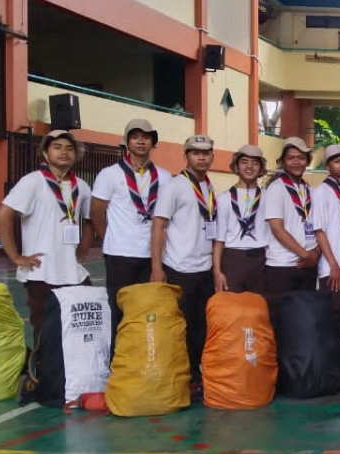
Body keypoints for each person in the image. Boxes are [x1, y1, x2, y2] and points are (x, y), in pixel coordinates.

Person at [0, 130, 94, 342]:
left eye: (69, 148)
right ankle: (40, 373)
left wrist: (83, 251)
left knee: (77, 327)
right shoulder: (33, 181)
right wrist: (15, 257)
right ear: (46, 153)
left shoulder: (81, 187)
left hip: (72, 271)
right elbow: (3, 216)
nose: (64, 152)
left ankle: (70, 373)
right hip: (42, 271)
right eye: (57, 147)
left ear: (76, 155)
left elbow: (90, 221)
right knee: (45, 328)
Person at [150, 135, 218, 386]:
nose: (201, 157)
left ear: (212, 156)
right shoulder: (174, 186)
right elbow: (159, 225)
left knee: (201, 325)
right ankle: (180, 376)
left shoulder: (209, 187)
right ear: (186, 156)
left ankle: (196, 374)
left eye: (206, 152)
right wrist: (157, 266)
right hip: (180, 267)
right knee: (181, 326)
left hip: (204, 268)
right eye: (195, 152)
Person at [91, 119, 172, 330]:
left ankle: (144, 357)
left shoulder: (164, 177)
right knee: (119, 310)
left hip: (152, 256)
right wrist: (109, 238)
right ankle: (118, 358)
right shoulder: (109, 174)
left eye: (146, 137)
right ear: (127, 142)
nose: (141, 142)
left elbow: (166, 219)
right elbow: (96, 212)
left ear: (153, 143)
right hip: (120, 255)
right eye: (135, 137)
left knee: (148, 310)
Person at [263, 137, 319, 297]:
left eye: (301, 158)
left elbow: (318, 227)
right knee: (281, 318)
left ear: (307, 161)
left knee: (304, 317)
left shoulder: (310, 190)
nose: (296, 162)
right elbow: (277, 229)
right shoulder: (276, 188)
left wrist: (315, 253)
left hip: (308, 265)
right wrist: (305, 254)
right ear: (283, 162)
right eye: (291, 158)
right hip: (282, 265)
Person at [312, 145, 340, 340]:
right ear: (328, 165)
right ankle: (328, 364)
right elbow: (319, 231)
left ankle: (337, 359)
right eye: (337, 161)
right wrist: (333, 265)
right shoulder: (322, 191)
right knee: (331, 318)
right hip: (332, 267)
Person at [213, 145, 269, 294]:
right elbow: (219, 240)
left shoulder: (269, 197)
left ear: (261, 169)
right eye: (244, 162)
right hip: (233, 259)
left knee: (259, 308)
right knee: (232, 309)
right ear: (236, 166)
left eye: (255, 163)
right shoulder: (223, 199)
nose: (249, 167)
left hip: (261, 260)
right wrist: (217, 271)